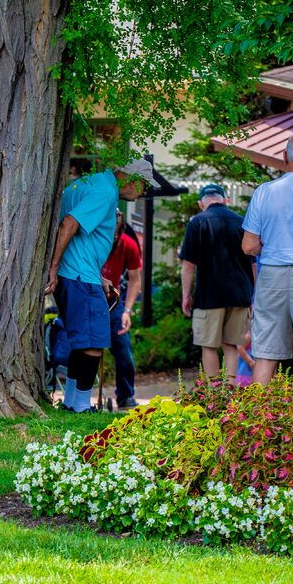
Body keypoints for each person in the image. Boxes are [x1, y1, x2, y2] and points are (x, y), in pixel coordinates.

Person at [43, 159, 155, 412]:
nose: (143, 192)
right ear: (131, 178)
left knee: (82, 341)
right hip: (78, 275)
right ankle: (82, 406)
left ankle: (72, 402)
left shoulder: (89, 183)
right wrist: (53, 267)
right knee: (94, 342)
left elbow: (79, 234)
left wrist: (95, 274)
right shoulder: (105, 192)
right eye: (144, 186)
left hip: (80, 273)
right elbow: (68, 224)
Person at [241, 133, 293, 383]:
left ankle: (253, 419)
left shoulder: (265, 192)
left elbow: (248, 245)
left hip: (273, 276)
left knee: (266, 354)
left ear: (284, 157)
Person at [179, 182, 256, 379]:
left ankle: (214, 395)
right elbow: (253, 263)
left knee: (208, 345)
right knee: (231, 345)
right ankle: (229, 394)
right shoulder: (242, 223)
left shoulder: (198, 222)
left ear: (201, 203)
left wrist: (186, 295)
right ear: (225, 200)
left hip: (209, 295)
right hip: (240, 295)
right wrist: (252, 297)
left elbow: (188, 264)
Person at [102, 211, 143, 409]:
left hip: (113, 302)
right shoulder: (93, 240)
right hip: (89, 297)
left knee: (123, 347)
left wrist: (127, 310)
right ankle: (76, 396)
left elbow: (136, 280)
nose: (112, 239)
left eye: (115, 236)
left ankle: (126, 396)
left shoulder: (128, 244)